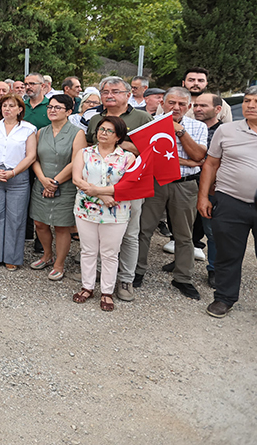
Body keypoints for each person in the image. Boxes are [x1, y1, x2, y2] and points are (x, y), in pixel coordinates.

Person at [198, 86, 257, 335]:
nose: (250, 105)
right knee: (228, 254)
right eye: (248, 100)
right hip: (231, 202)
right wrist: (204, 196)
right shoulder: (227, 130)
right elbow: (211, 164)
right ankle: (224, 298)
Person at [85, 76, 153, 303]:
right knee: (97, 233)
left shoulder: (142, 117)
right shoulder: (96, 119)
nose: (109, 95)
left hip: (130, 187)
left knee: (129, 234)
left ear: (127, 94)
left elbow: (152, 152)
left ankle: (125, 279)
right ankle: (99, 275)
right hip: (97, 188)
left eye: (115, 91)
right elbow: (89, 150)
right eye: (105, 92)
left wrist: (122, 144)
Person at [134, 87, 207, 300]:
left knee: (185, 234)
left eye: (182, 104)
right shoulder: (149, 124)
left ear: (189, 106)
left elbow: (199, 156)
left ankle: (183, 277)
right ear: (162, 103)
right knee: (143, 229)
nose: (176, 107)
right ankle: (137, 271)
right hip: (154, 182)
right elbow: (147, 156)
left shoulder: (197, 126)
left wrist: (180, 131)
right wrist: (186, 161)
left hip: (184, 185)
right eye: (172, 103)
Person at [71, 116, 136, 312]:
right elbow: (77, 178)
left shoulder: (127, 158)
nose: (103, 133)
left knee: (109, 253)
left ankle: (107, 291)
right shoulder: (84, 153)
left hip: (115, 211)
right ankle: (87, 287)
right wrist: (104, 195)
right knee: (88, 250)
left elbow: (127, 186)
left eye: (109, 130)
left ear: (118, 136)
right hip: (85, 209)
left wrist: (101, 193)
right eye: (101, 129)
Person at [29, 94, 85, 279]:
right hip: (41, 183)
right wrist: (43, 180)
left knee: (62, 226)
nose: (52, 110)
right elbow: (34, 158)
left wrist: (54, 182)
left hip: (65, 186)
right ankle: (47, 255)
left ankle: (59, 263)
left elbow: (76, 160)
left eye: (57, 107)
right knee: (40, 223)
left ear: (69, 111)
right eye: (50, 107)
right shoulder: (41, 132)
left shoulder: (77, 133)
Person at [0, 94, 37, 270]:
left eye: (12, 106)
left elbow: (31, 155)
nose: (7, 109)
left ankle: (12, 256)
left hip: (17, 177)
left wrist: (13, 172)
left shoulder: (28, 129)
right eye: (4, 105)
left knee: (16, 217)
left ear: (20, 109)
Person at [190, 93, 224, 286]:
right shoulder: (191, 127)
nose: (197, 109)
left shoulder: (224, 131)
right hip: (187, 184)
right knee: (186, 228)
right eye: (195, 105)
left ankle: (214, 269)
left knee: (211, 231)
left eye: (203, 105)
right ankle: (181, 261)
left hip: (211, 188)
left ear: (217, 109)